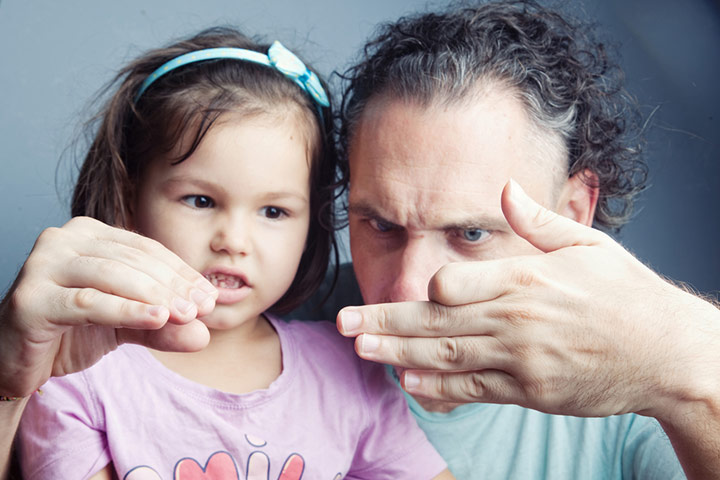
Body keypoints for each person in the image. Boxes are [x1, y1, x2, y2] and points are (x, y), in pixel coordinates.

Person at [1, 27, 452, 480]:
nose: (234, 240)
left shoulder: (350, 373)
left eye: (274, 211)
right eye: (201, 201)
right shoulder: (73, 371)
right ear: (130, 198)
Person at [325, 1, 720, 479]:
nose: (408, 288)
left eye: (470, 234)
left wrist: (688, 355)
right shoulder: (267, 331)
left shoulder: (647, 397)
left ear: (573, 214)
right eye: (382, 226)